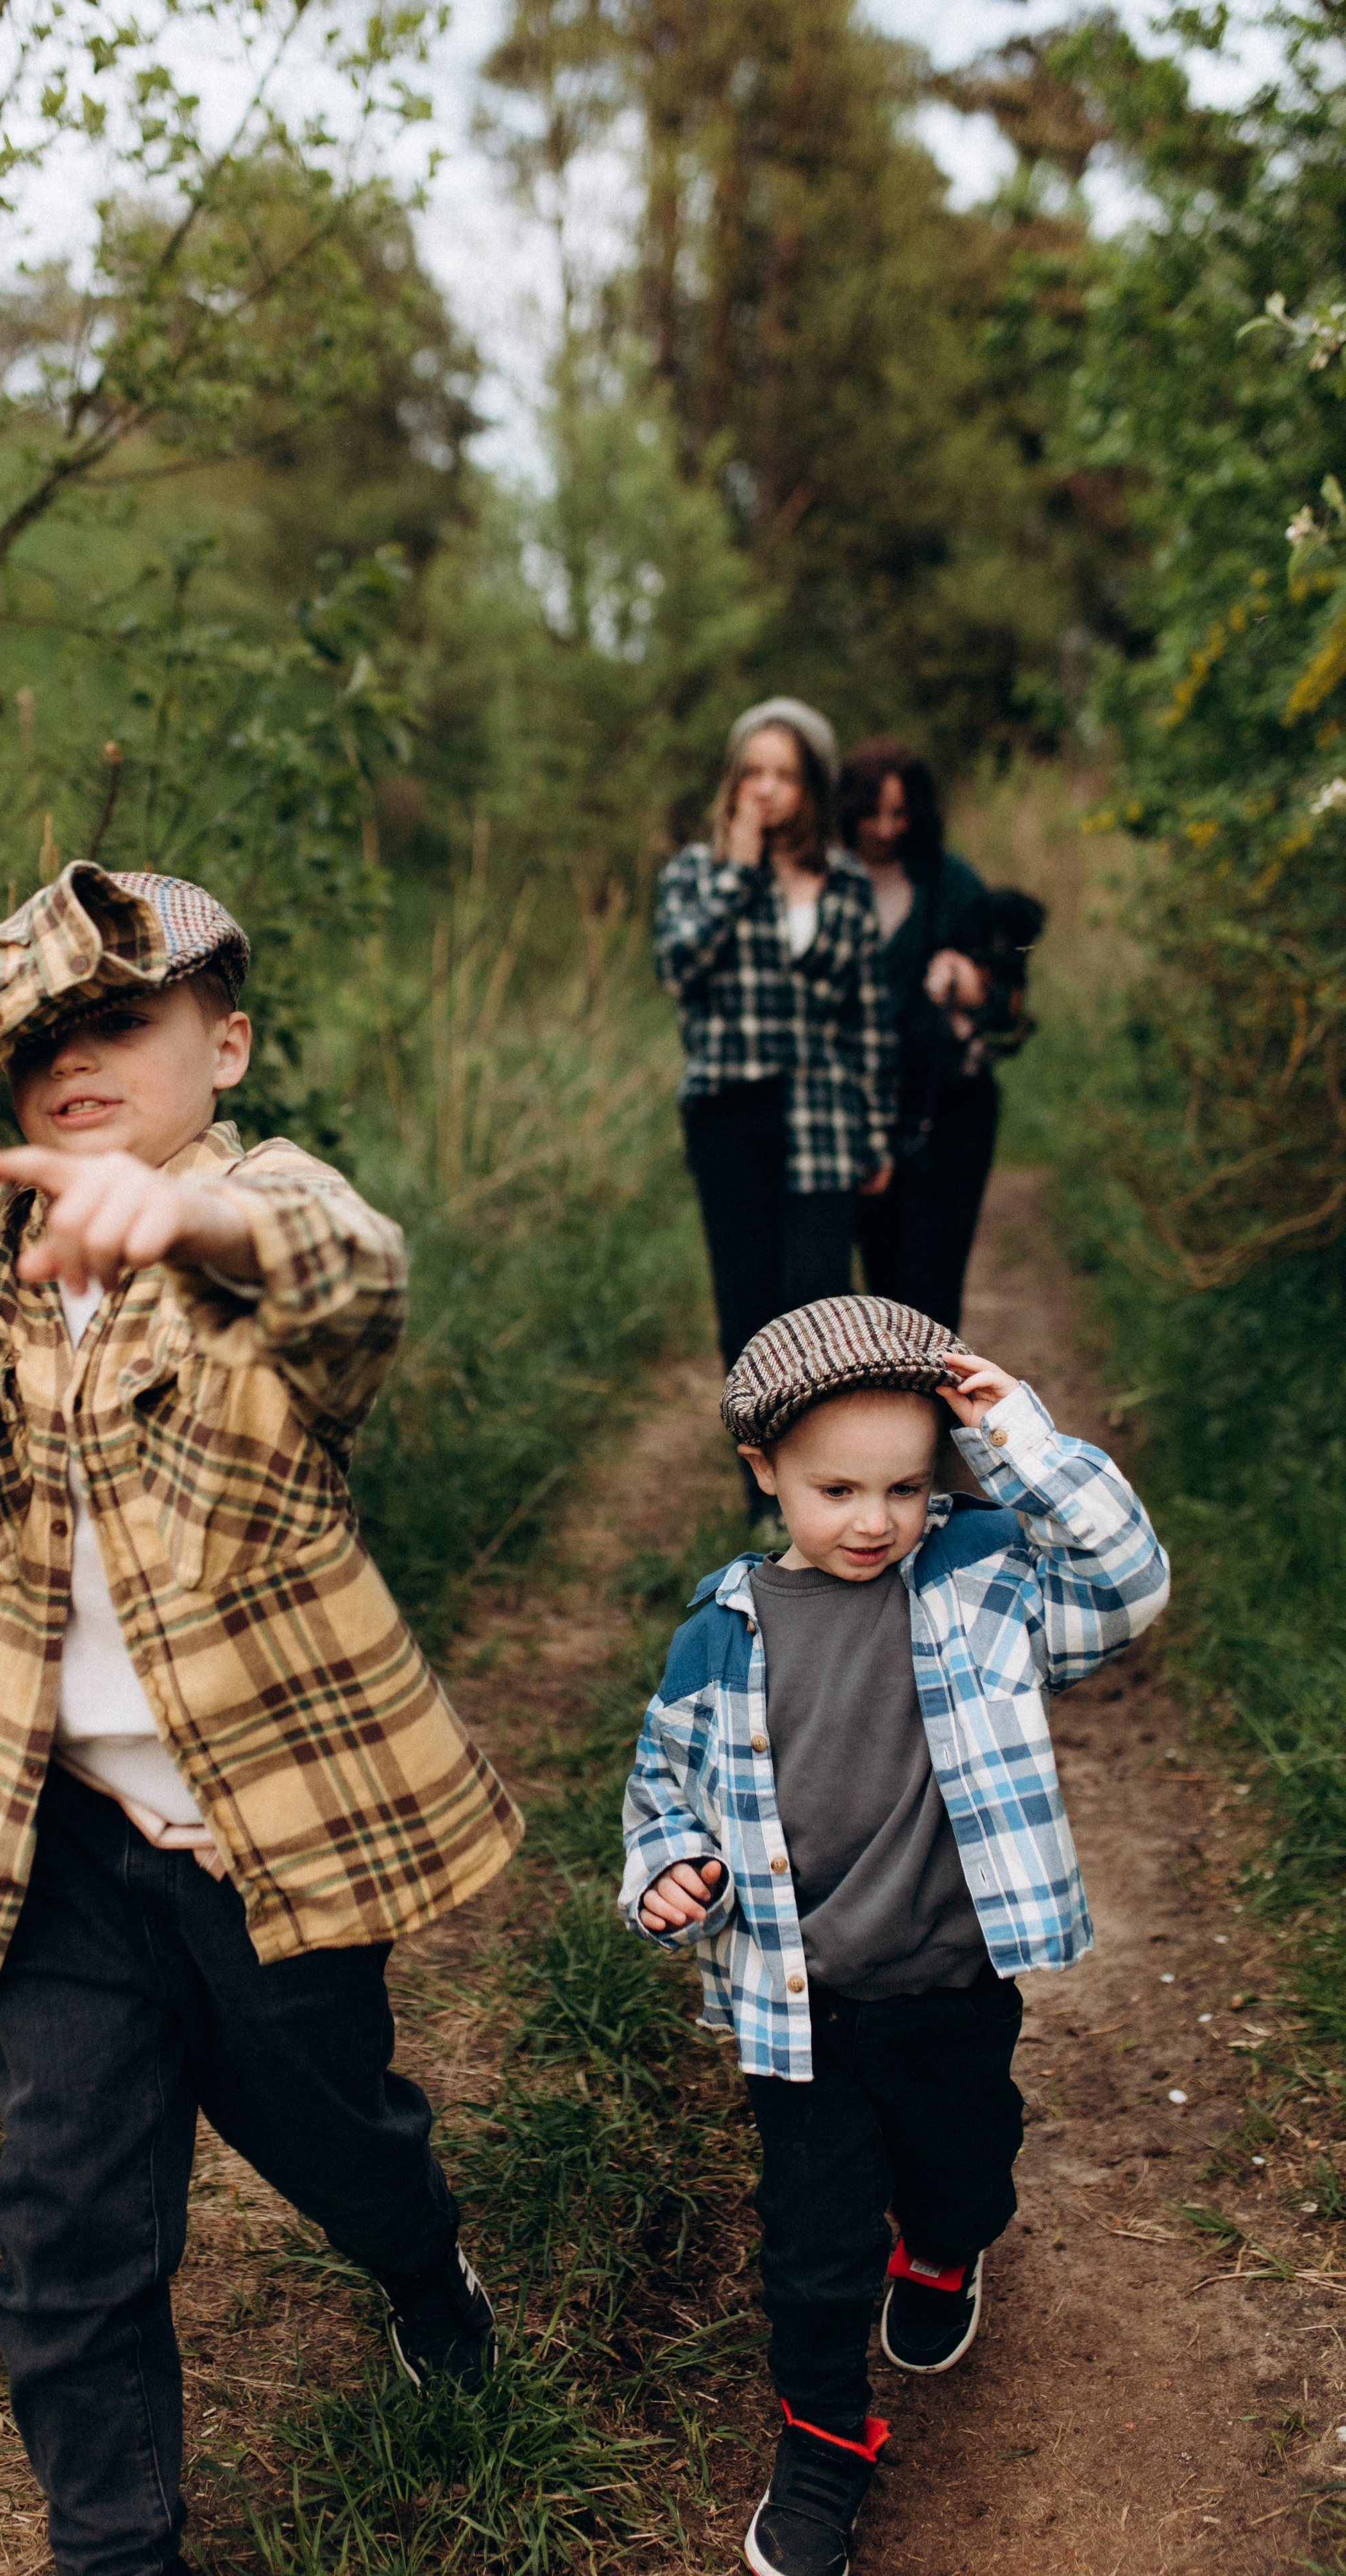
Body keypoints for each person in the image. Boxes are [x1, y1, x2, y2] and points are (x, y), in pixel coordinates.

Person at [0, 863, 523, 2576]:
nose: (75, 1062)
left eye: (123, 1021)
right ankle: (117, 2545)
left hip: (256, 1837)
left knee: (338, 2133)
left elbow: (356, 1278)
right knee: (65, 2229)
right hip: (65, 1851)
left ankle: (418, 2265)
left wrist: (189, 1225)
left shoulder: (262, 1205)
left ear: (223, 1044)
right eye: (40, 1043)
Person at [619, 1295, 1169, 2576]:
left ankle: (945, 2247)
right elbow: (661, 1789)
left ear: (943, 1474)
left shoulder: (980, 1579)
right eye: (837, 1489)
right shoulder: (717, 1638)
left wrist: (1015, 1435)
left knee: (965, 2162)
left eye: (908, 1486)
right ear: (764, 1472)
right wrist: (668, 1870)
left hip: (950, 1985)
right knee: (811, 2251)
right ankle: (823, 2443)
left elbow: (1127, 1584)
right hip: (800, 2016)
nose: (875, 1522)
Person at [656, 700, 896, 1446]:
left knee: (819, 1305)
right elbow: (677, 969)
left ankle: (825, 1466)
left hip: (822, 1118)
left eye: (784, 775)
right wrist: (737, 870)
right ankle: (763, 1479)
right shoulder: (696, 874)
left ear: (812, 787)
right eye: (751, 771)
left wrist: (877, 1135)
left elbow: (867, 1022)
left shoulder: (847, 883)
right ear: (730, 782)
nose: (765, 789)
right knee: (746, 1305)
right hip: (730, 1111)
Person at [837, 737, 1016, 1334]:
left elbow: (1010, 999)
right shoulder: (827, 881)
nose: (887, 828)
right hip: (860, 1115)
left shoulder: (952, 882)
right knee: (881, 1294)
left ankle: (942, 1424)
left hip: (948, 1117)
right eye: (873, 812)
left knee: (933, 1294)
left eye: (901, 813)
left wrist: (972, 987)